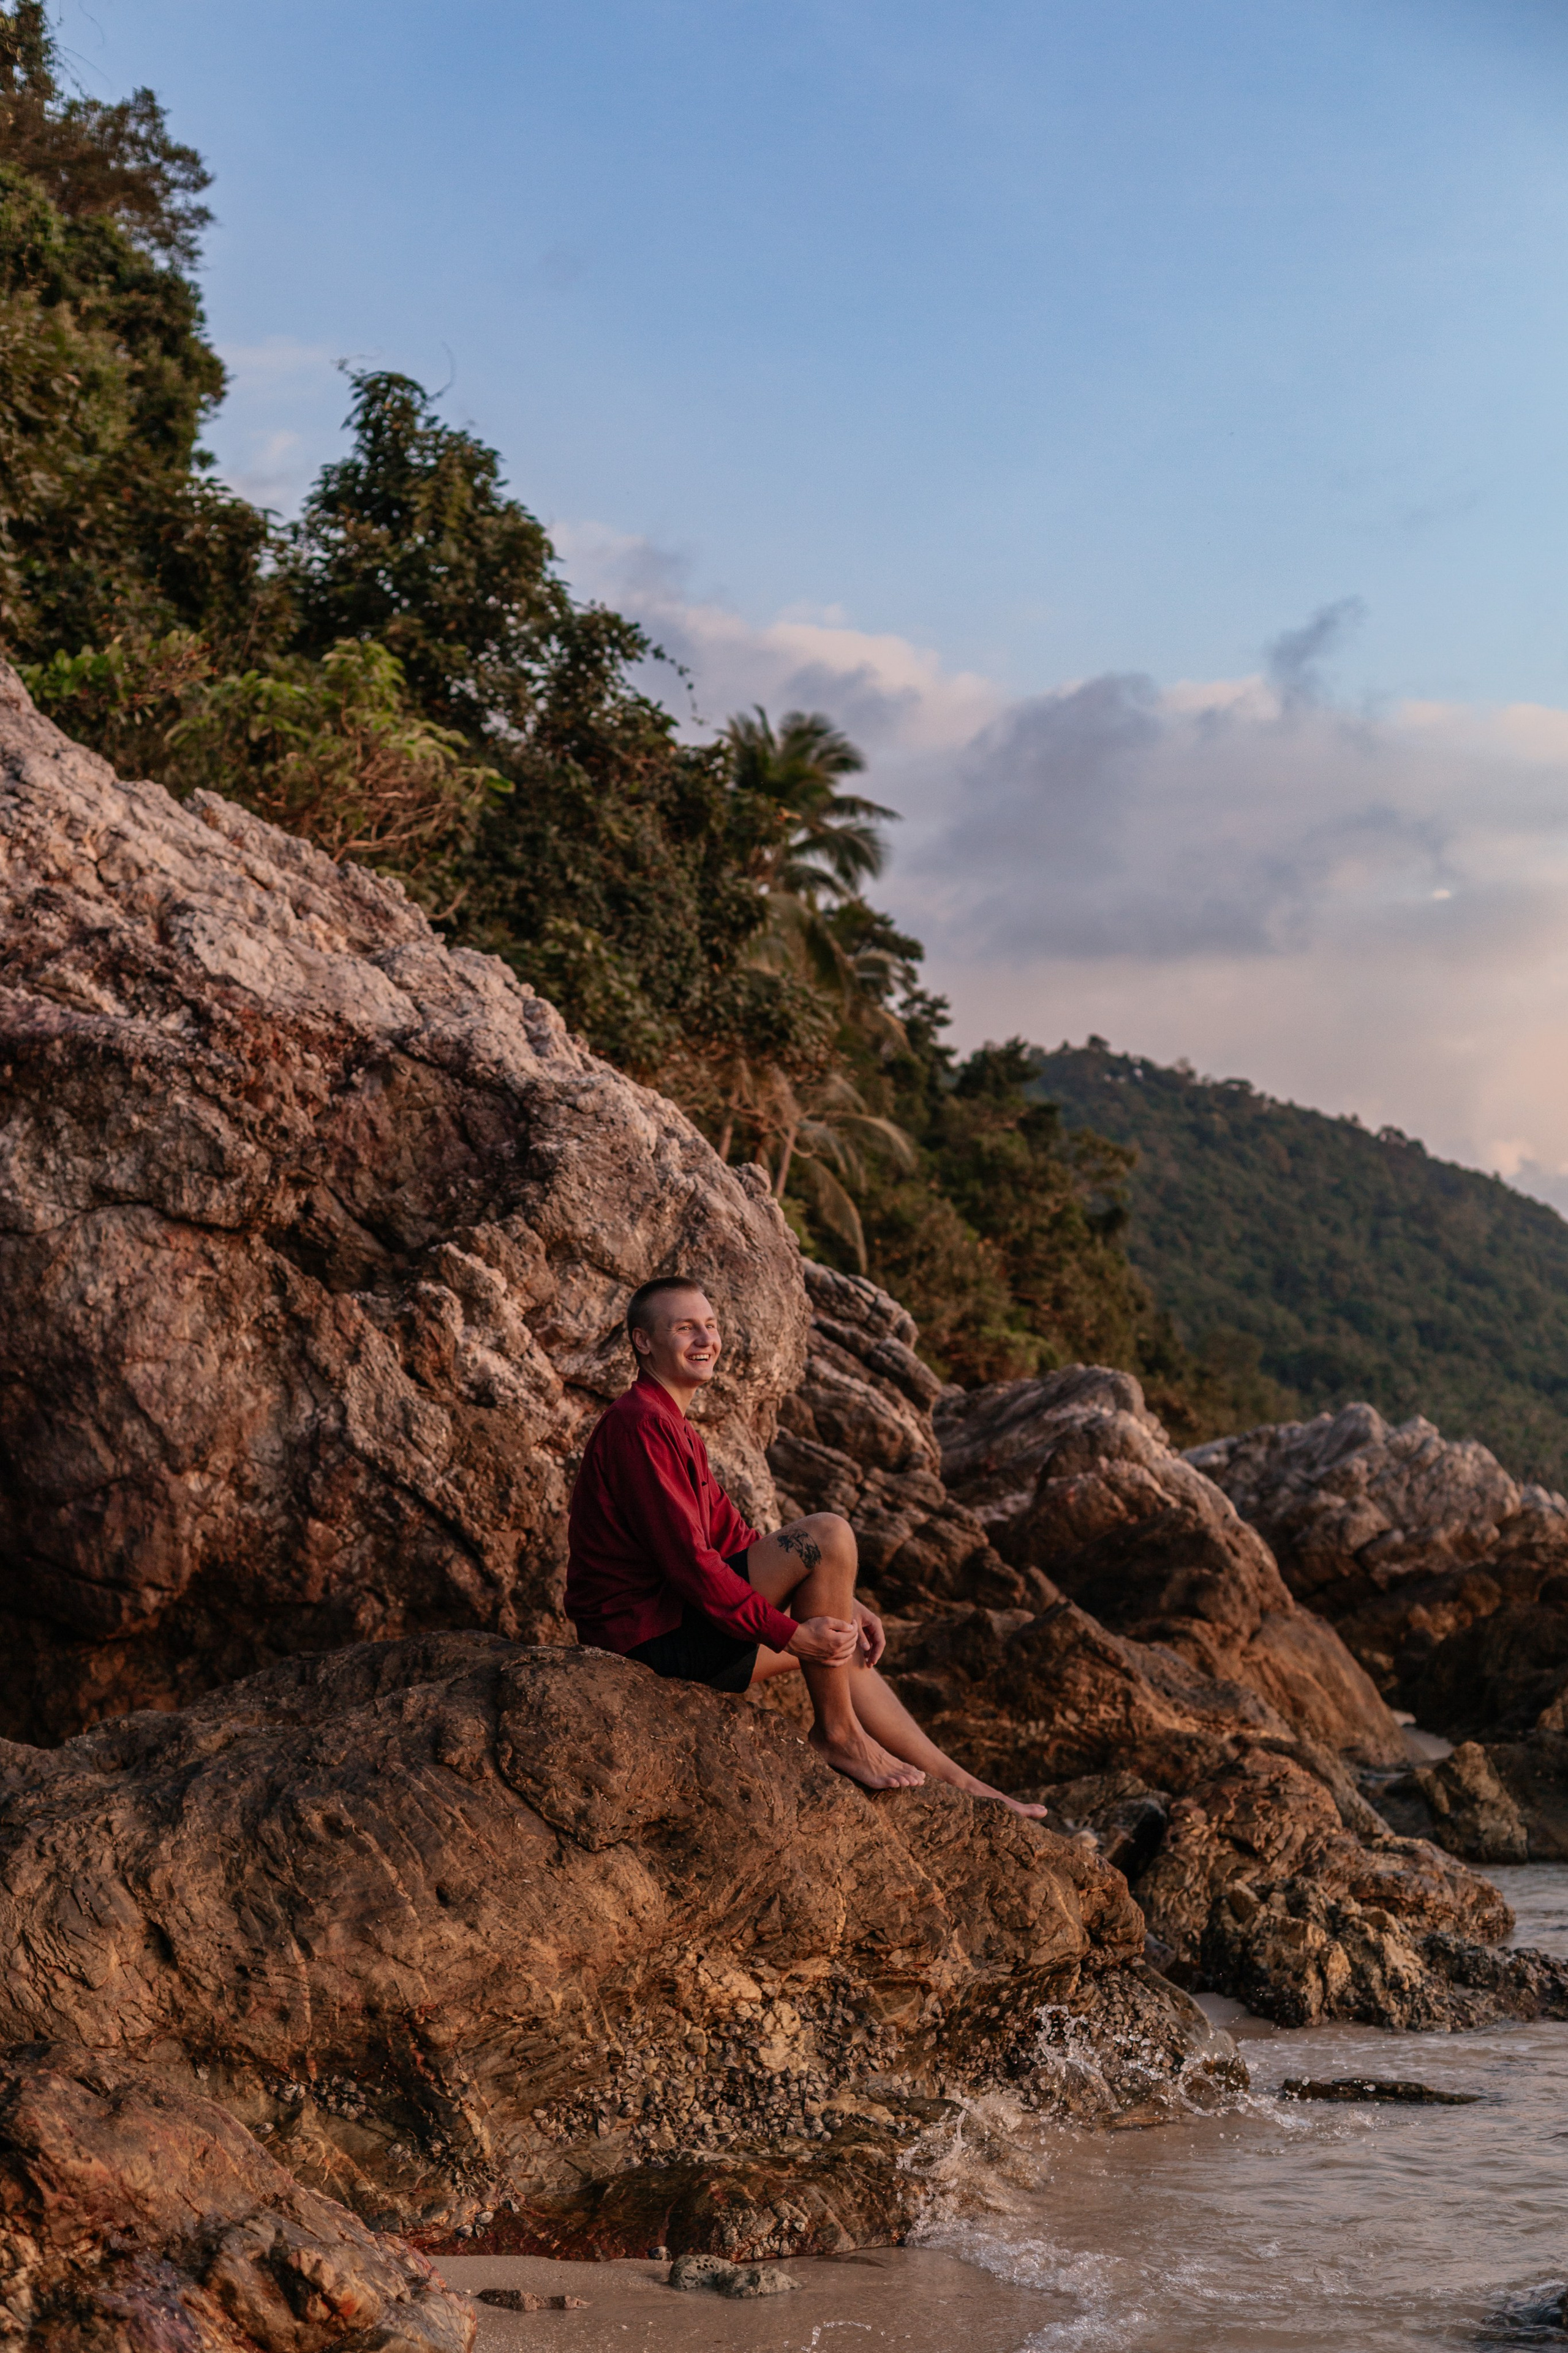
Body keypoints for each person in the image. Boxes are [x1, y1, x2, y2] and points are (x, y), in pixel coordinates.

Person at [567, 1274, 1046, 1815]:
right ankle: (839, 1734)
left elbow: (739, 1540)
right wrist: (793, 1636)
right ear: (643, 1341)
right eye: (685, 1328)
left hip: (675, 1630)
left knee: (848, 1639)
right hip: (646, 1641)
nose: (705, 1339)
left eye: (711, 1325)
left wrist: (848, 1604)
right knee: (829, 1532)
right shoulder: (640, 1425)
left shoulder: (671, 1425)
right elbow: (692, 1567)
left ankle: (966, 1785)